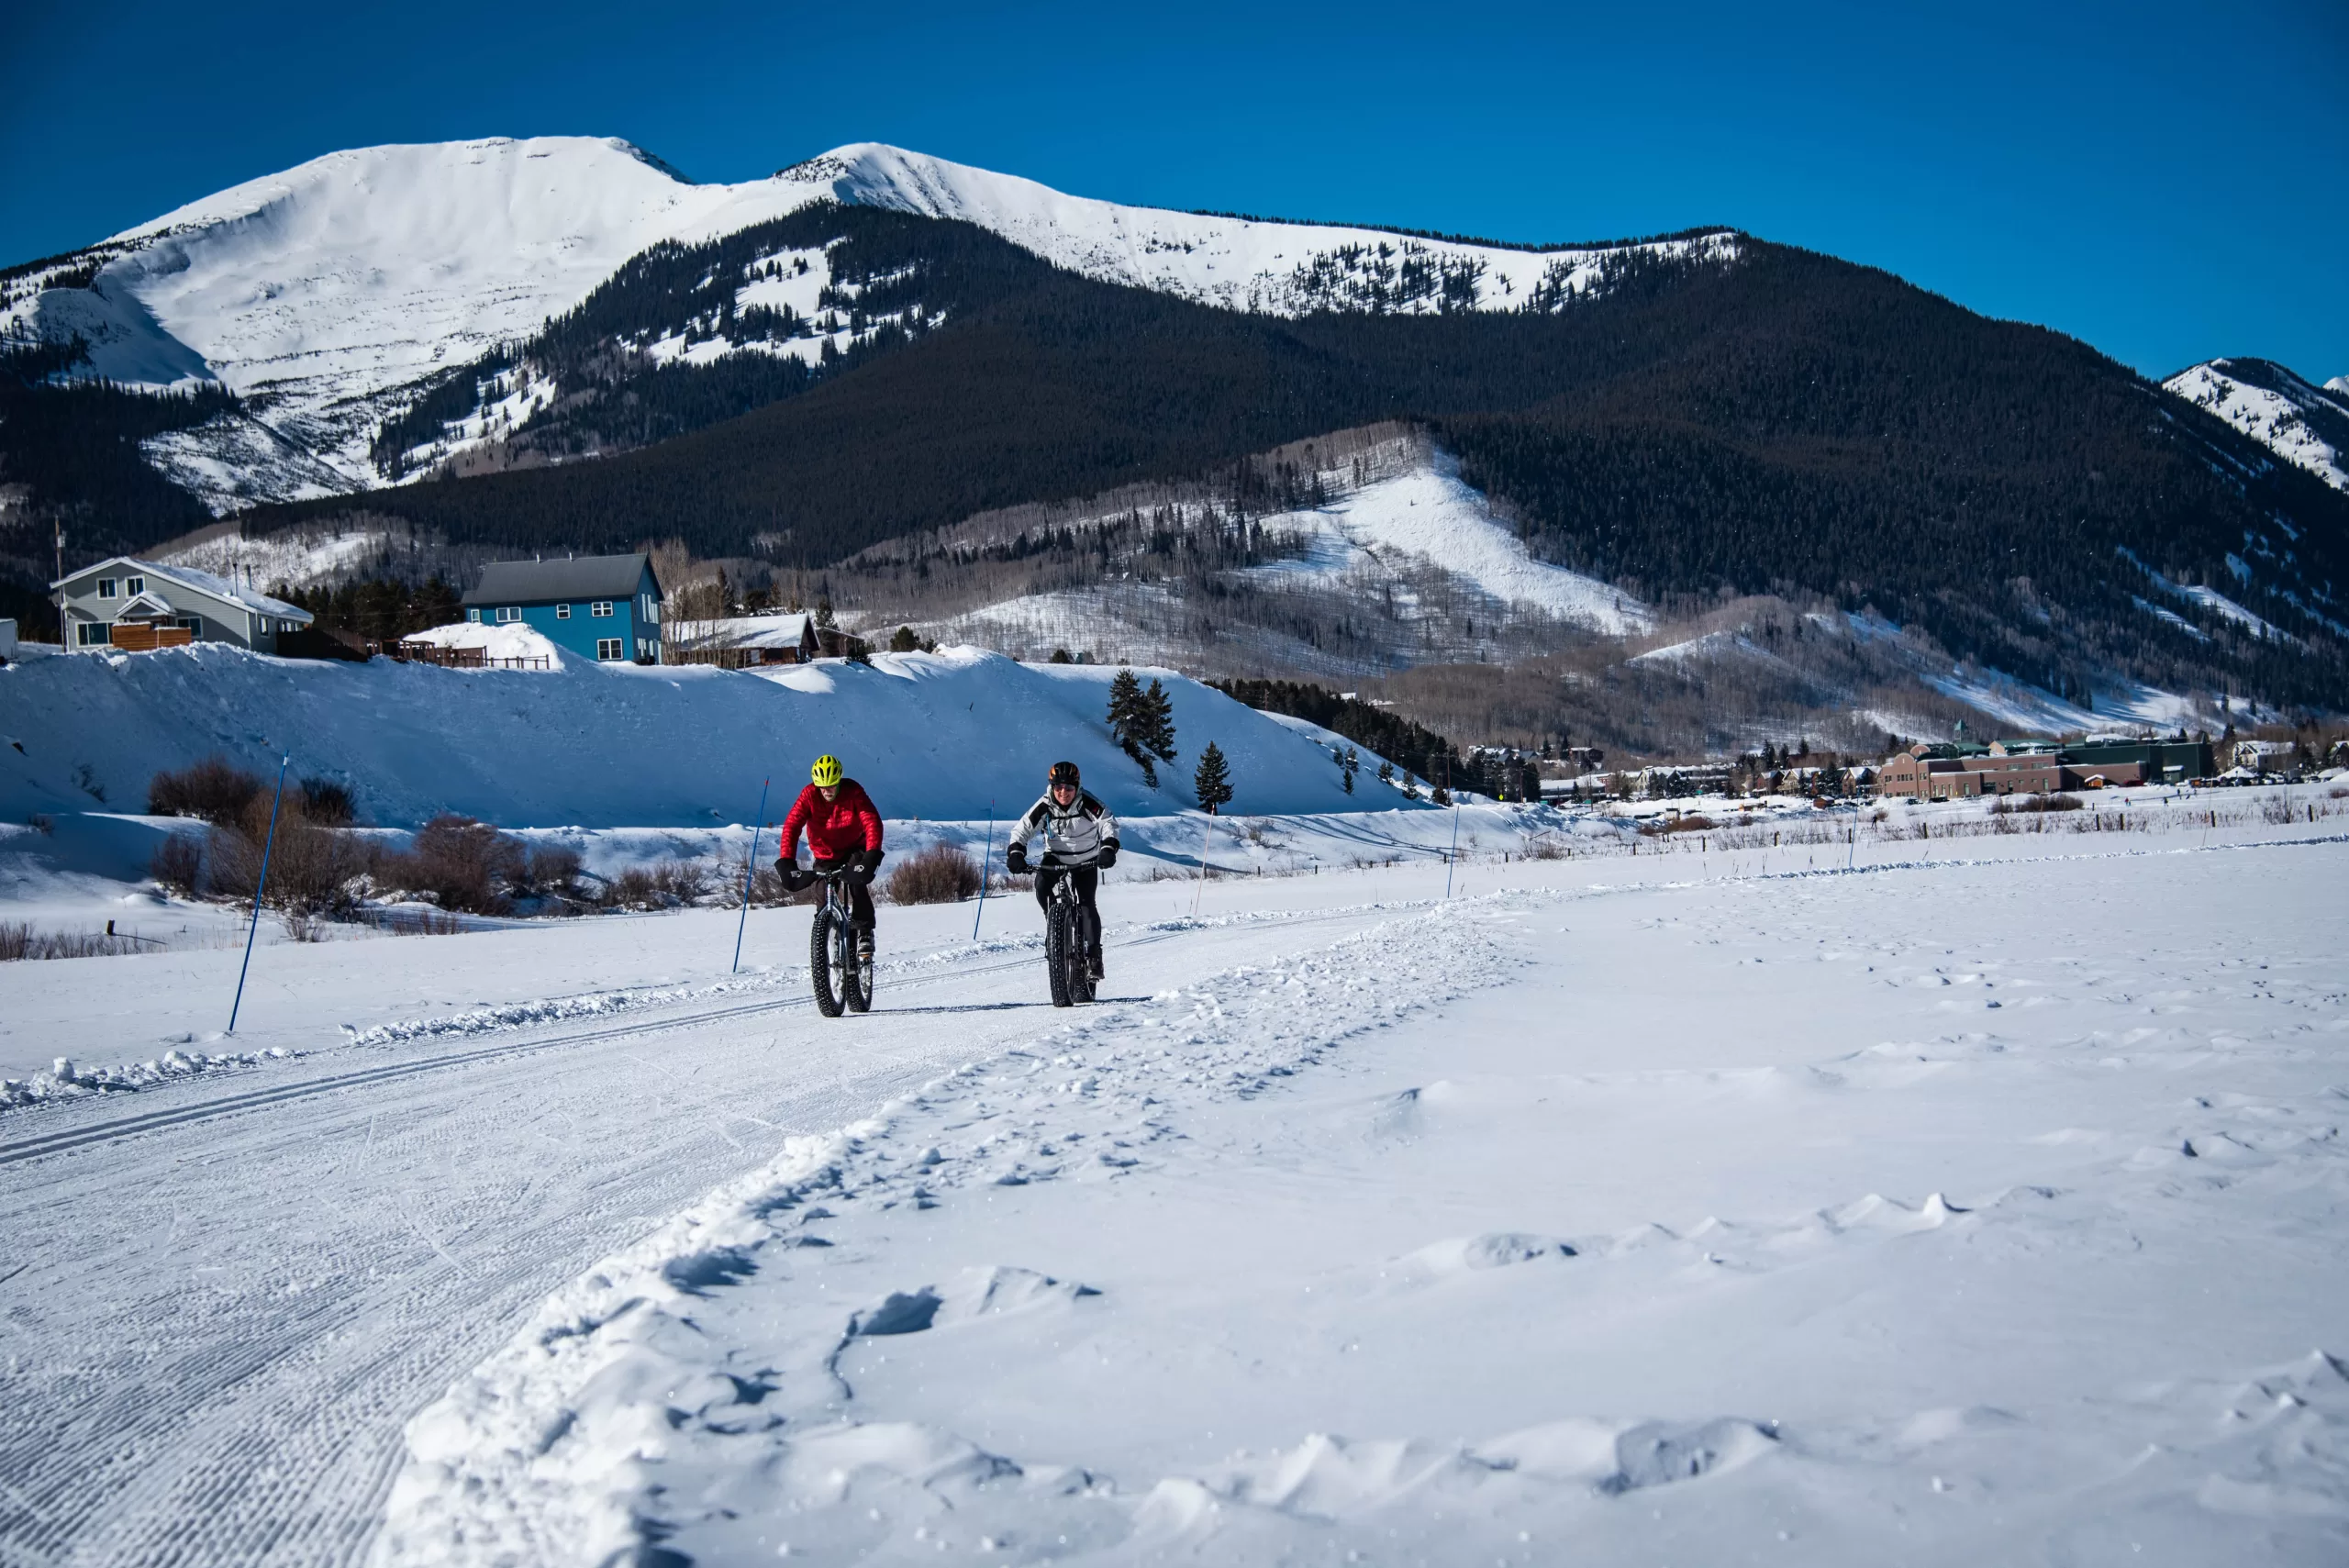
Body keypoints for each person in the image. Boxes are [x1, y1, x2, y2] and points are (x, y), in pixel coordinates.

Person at [1006, 761, 1119, 979]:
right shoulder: (1045, 804)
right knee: (1040, 885)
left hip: (1086, 859)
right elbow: (1022, 829)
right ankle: (1054, 924)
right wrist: (1016, 853)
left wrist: (1107, 848)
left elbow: (1108, 822)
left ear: (1077, 786)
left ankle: (1094, 957)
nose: (1063, 792)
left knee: (1086, 903)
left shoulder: (1087, 802)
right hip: (1055, 857)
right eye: (1058, 787)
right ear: (1052, 787)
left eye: (1068, 787)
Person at [775, 754, 885, 953]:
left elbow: (871, 820)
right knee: (822, 895)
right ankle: (827, 937)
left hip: (854, 848)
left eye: (832, 785)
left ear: (839, 781)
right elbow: (791, 826)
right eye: (823, 786)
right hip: (825, 853)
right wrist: (787, 860)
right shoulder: (809, 795)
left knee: (856, 883)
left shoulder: (853, 791)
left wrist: (872, 853)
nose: (827, 790)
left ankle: (865, 931)